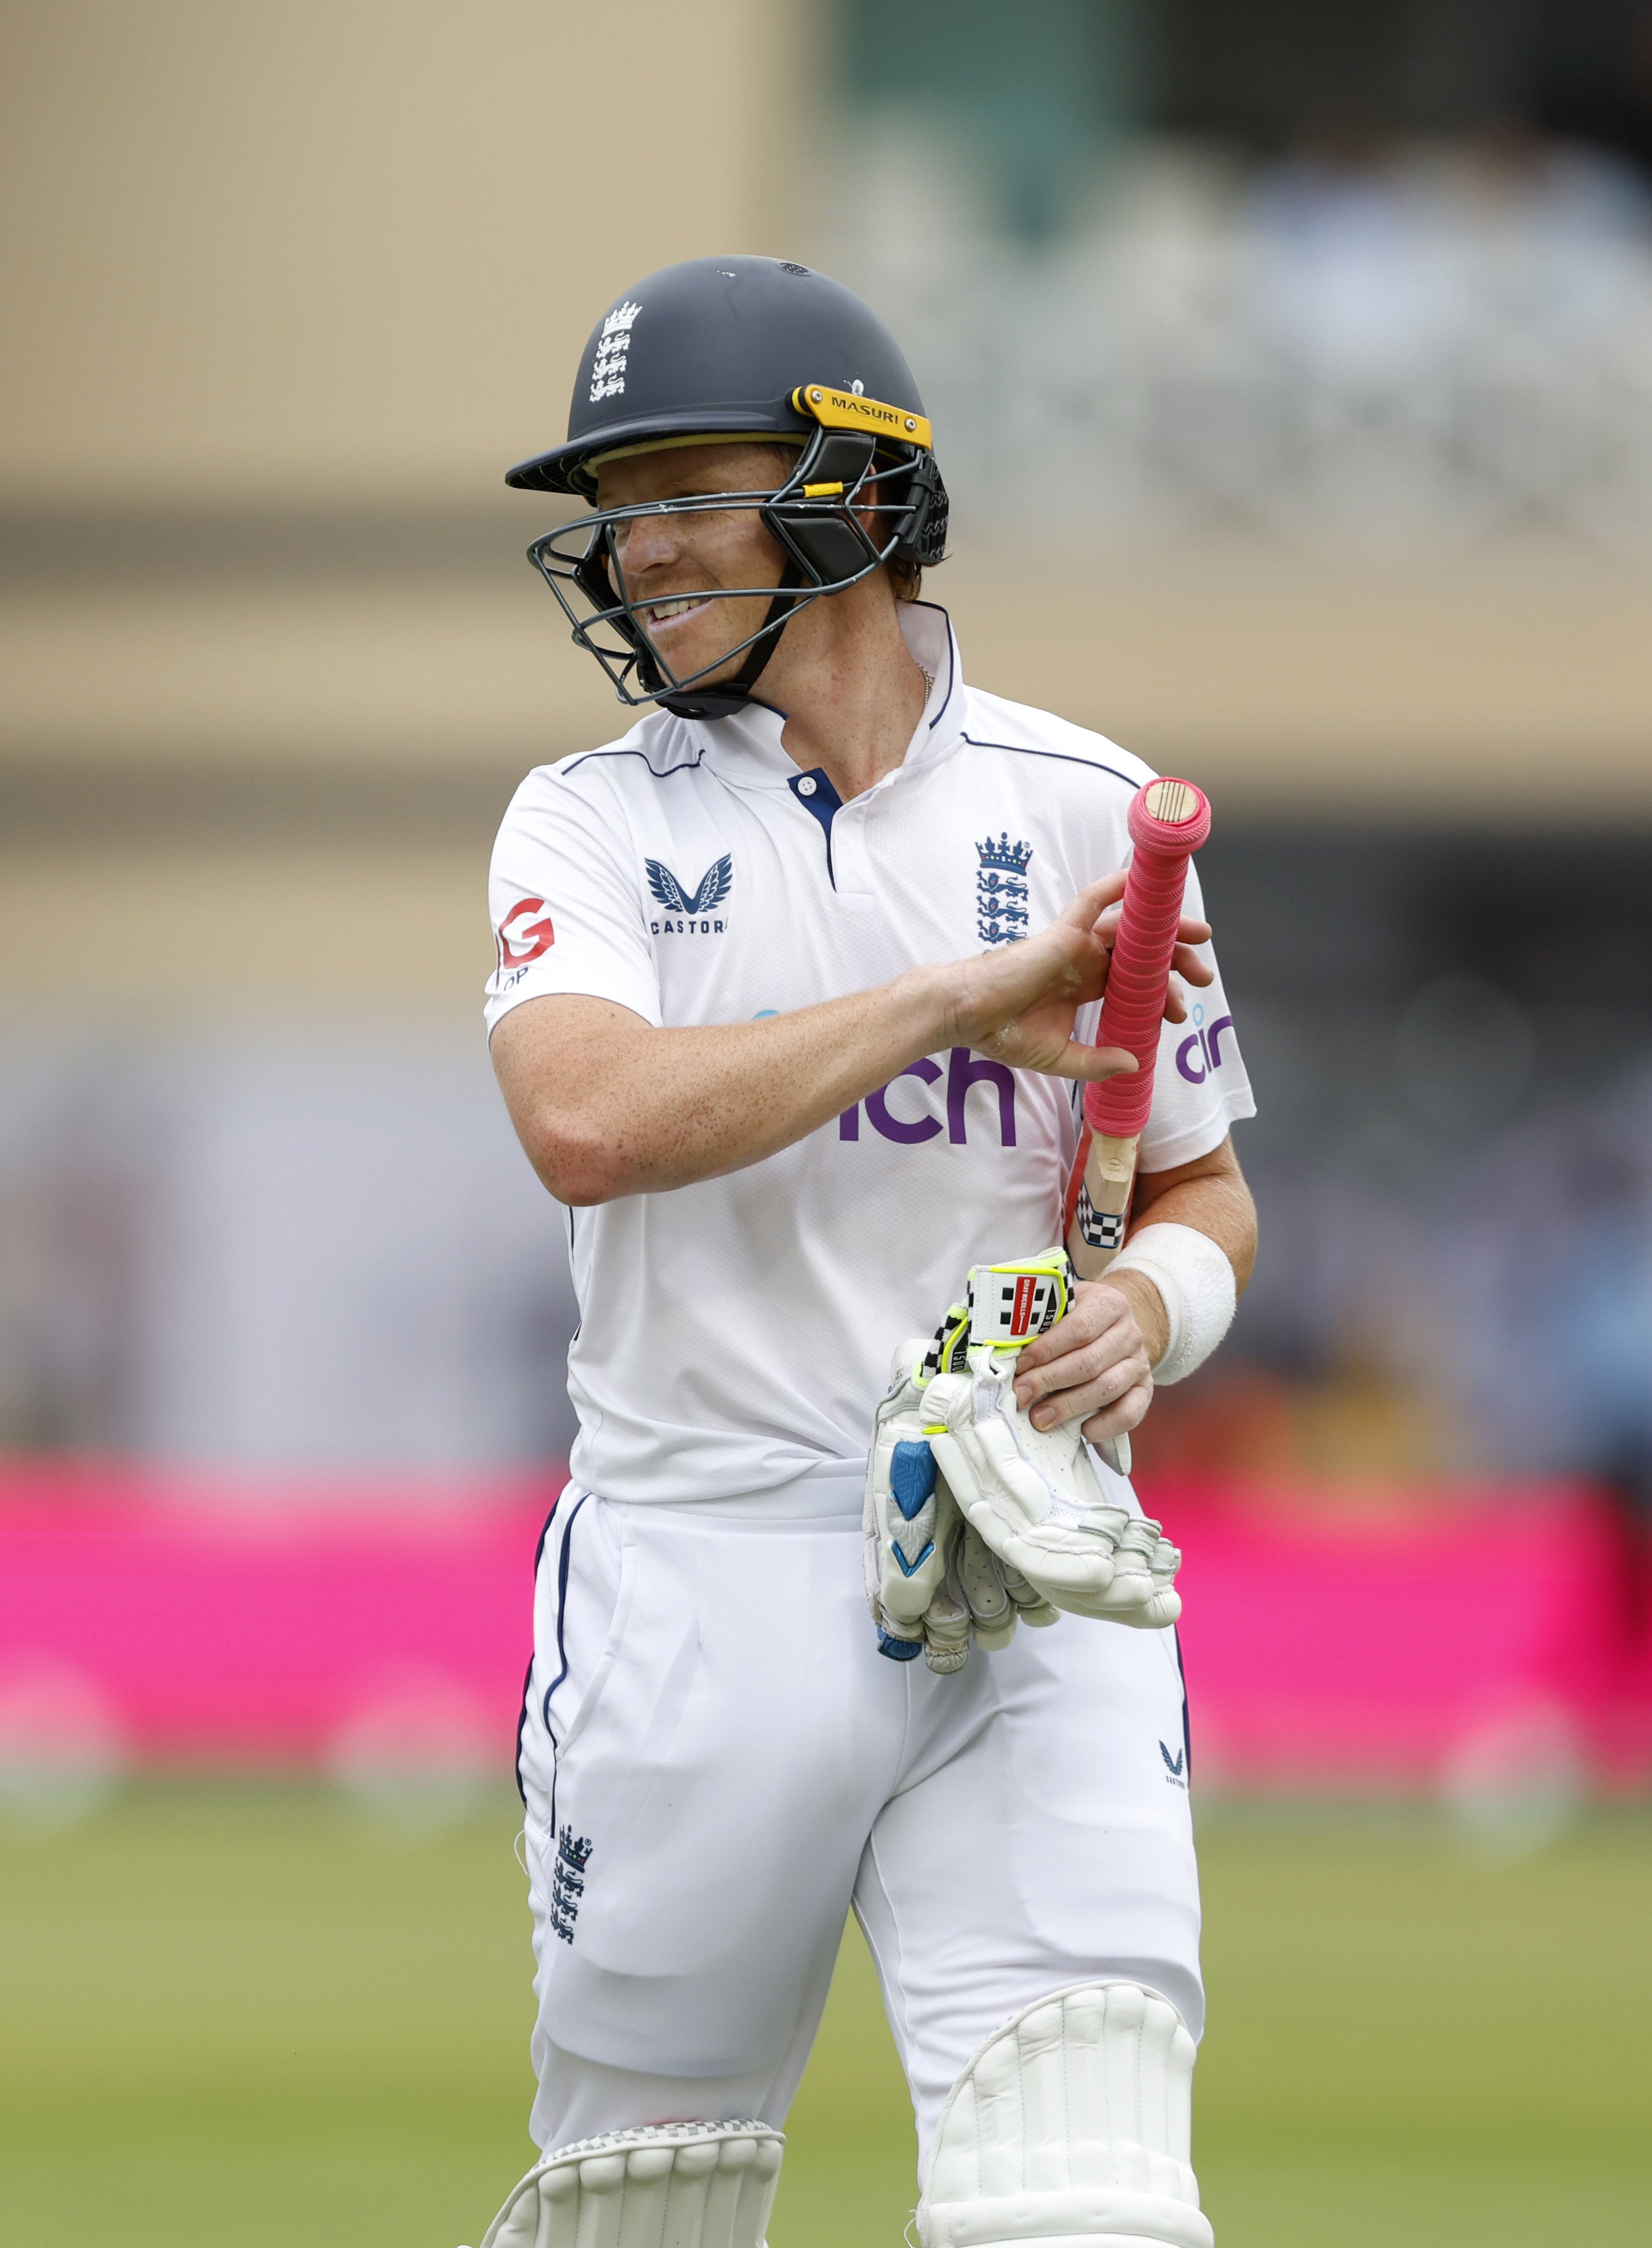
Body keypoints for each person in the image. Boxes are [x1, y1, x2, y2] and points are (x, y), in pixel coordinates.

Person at [464, 258, 1257, 2248]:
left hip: (1032, 1555)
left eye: (681, 490)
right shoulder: (582, 823)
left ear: (849, 484)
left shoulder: (1087, 805)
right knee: (647, 2200)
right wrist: (959, 995)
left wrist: (1151, 1308)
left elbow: (1206, 1190)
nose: (634, 551)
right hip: (698, 1567)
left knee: (1087, 2189)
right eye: (615, 506)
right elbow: (587, 1122)